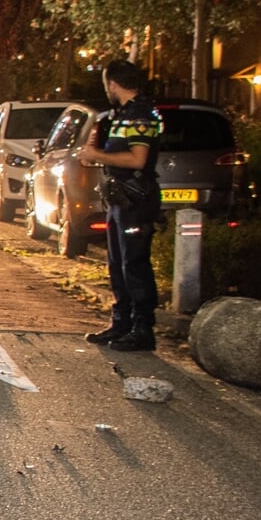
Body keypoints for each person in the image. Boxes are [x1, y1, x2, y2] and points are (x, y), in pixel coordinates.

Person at [76, 60, 163, 352]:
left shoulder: (141, 115)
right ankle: (121, 322)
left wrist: (97, 155)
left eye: (106, 83)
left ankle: (142, 329)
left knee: (134, 263)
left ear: (112, 83)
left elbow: (137, 159)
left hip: (136, 199)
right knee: (117, 263)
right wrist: (94, 155)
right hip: (119, 198)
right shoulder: (121, 115)